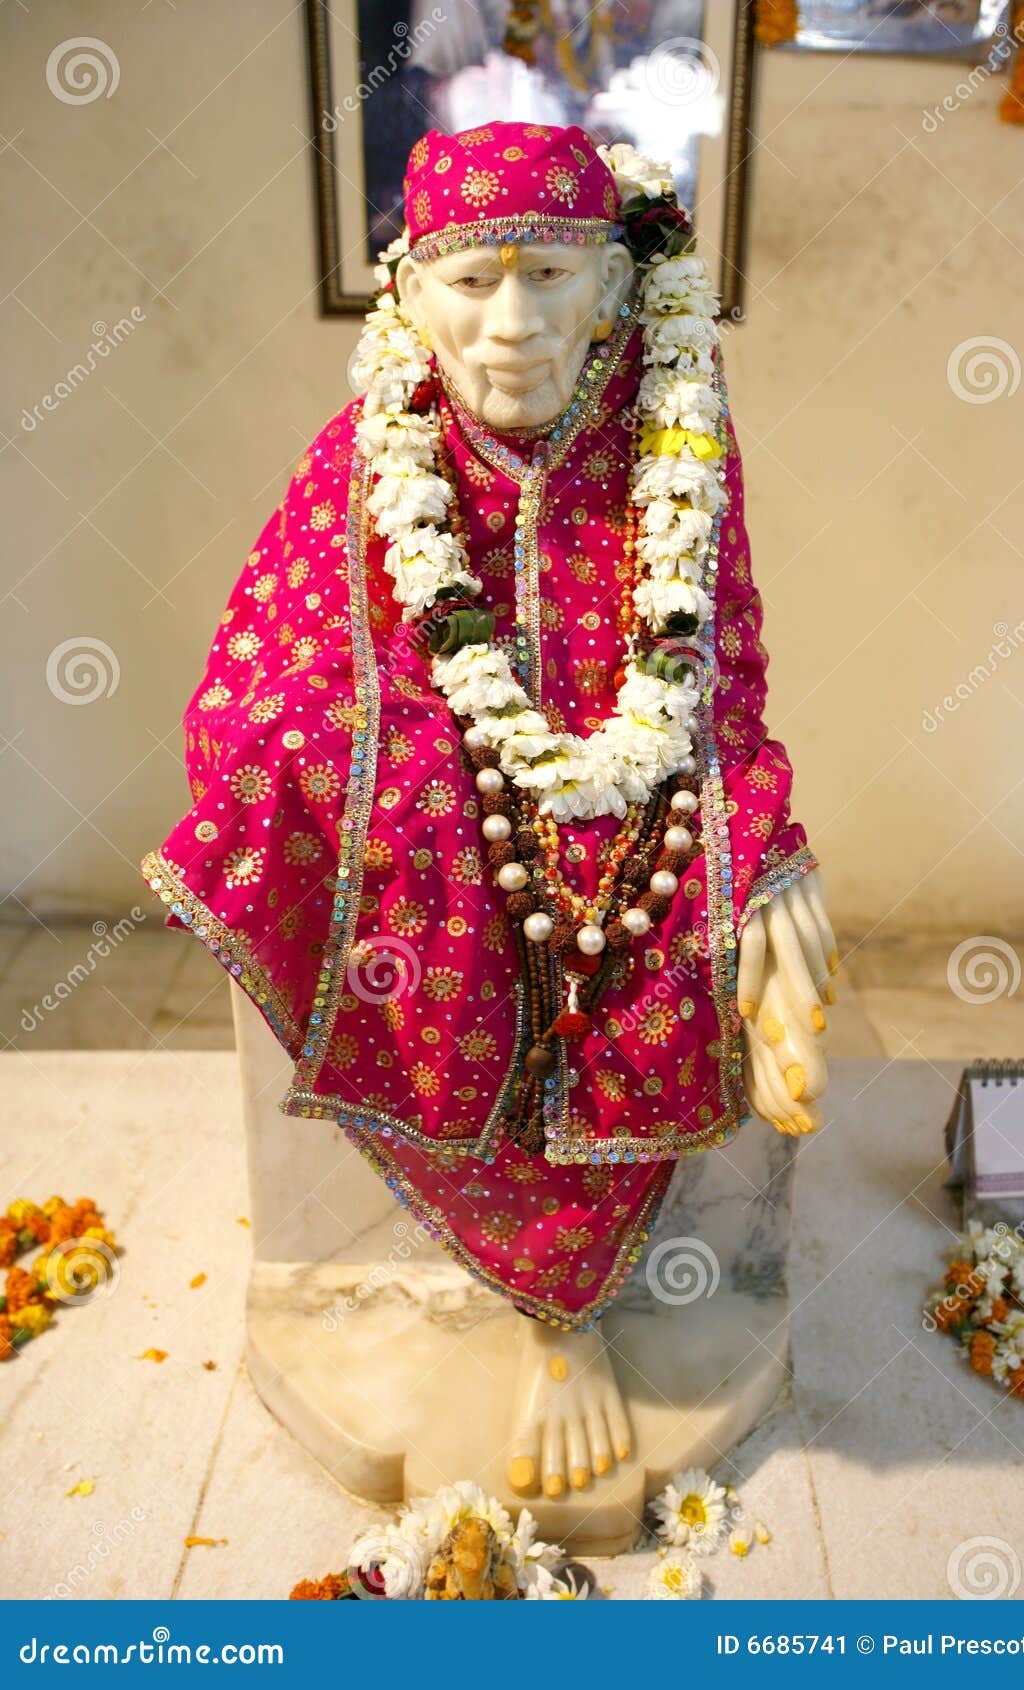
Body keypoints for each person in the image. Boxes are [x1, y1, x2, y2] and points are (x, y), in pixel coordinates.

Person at [144, 121, 836, 1501]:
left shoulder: (675, 429)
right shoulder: (370, 447)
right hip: (452, 813)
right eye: (472, 282)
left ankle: (579, 1301)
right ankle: (537, 1301)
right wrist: (422, 780)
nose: (513, 325)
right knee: (420, 889)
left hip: (636, 812)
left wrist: (763, 844)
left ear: (619, 286)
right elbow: (260, 674)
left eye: (549, 276)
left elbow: (723, 667)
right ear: (407, 292)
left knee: (708, 904)